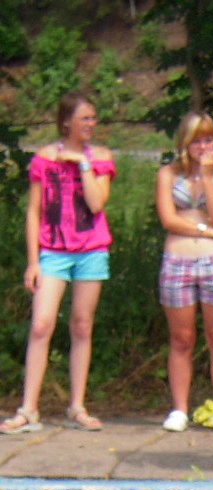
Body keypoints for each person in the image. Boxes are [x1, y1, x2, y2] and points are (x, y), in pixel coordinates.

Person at [2, 92, 116, 435]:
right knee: (41, 324)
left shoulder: (101, 158)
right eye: (84, 118)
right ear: (66, 121)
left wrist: (82, 163)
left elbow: (96, 203)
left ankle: (77, 406)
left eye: (93, 118)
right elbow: (34, 211)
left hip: (91, 249)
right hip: (53, 250)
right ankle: (28, 408)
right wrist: (33, 261)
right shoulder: (43, 159)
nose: (90, 124)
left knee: (82, 325)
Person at [155, 111, 213, 435]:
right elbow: (169, 219)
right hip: (178, 260)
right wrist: (204, 230)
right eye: (197, 141)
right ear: (185, 144)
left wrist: (206, 176)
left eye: (208, 140)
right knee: (182, 338)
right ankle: (179, 408)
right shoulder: (168, 174)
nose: (203, 147)